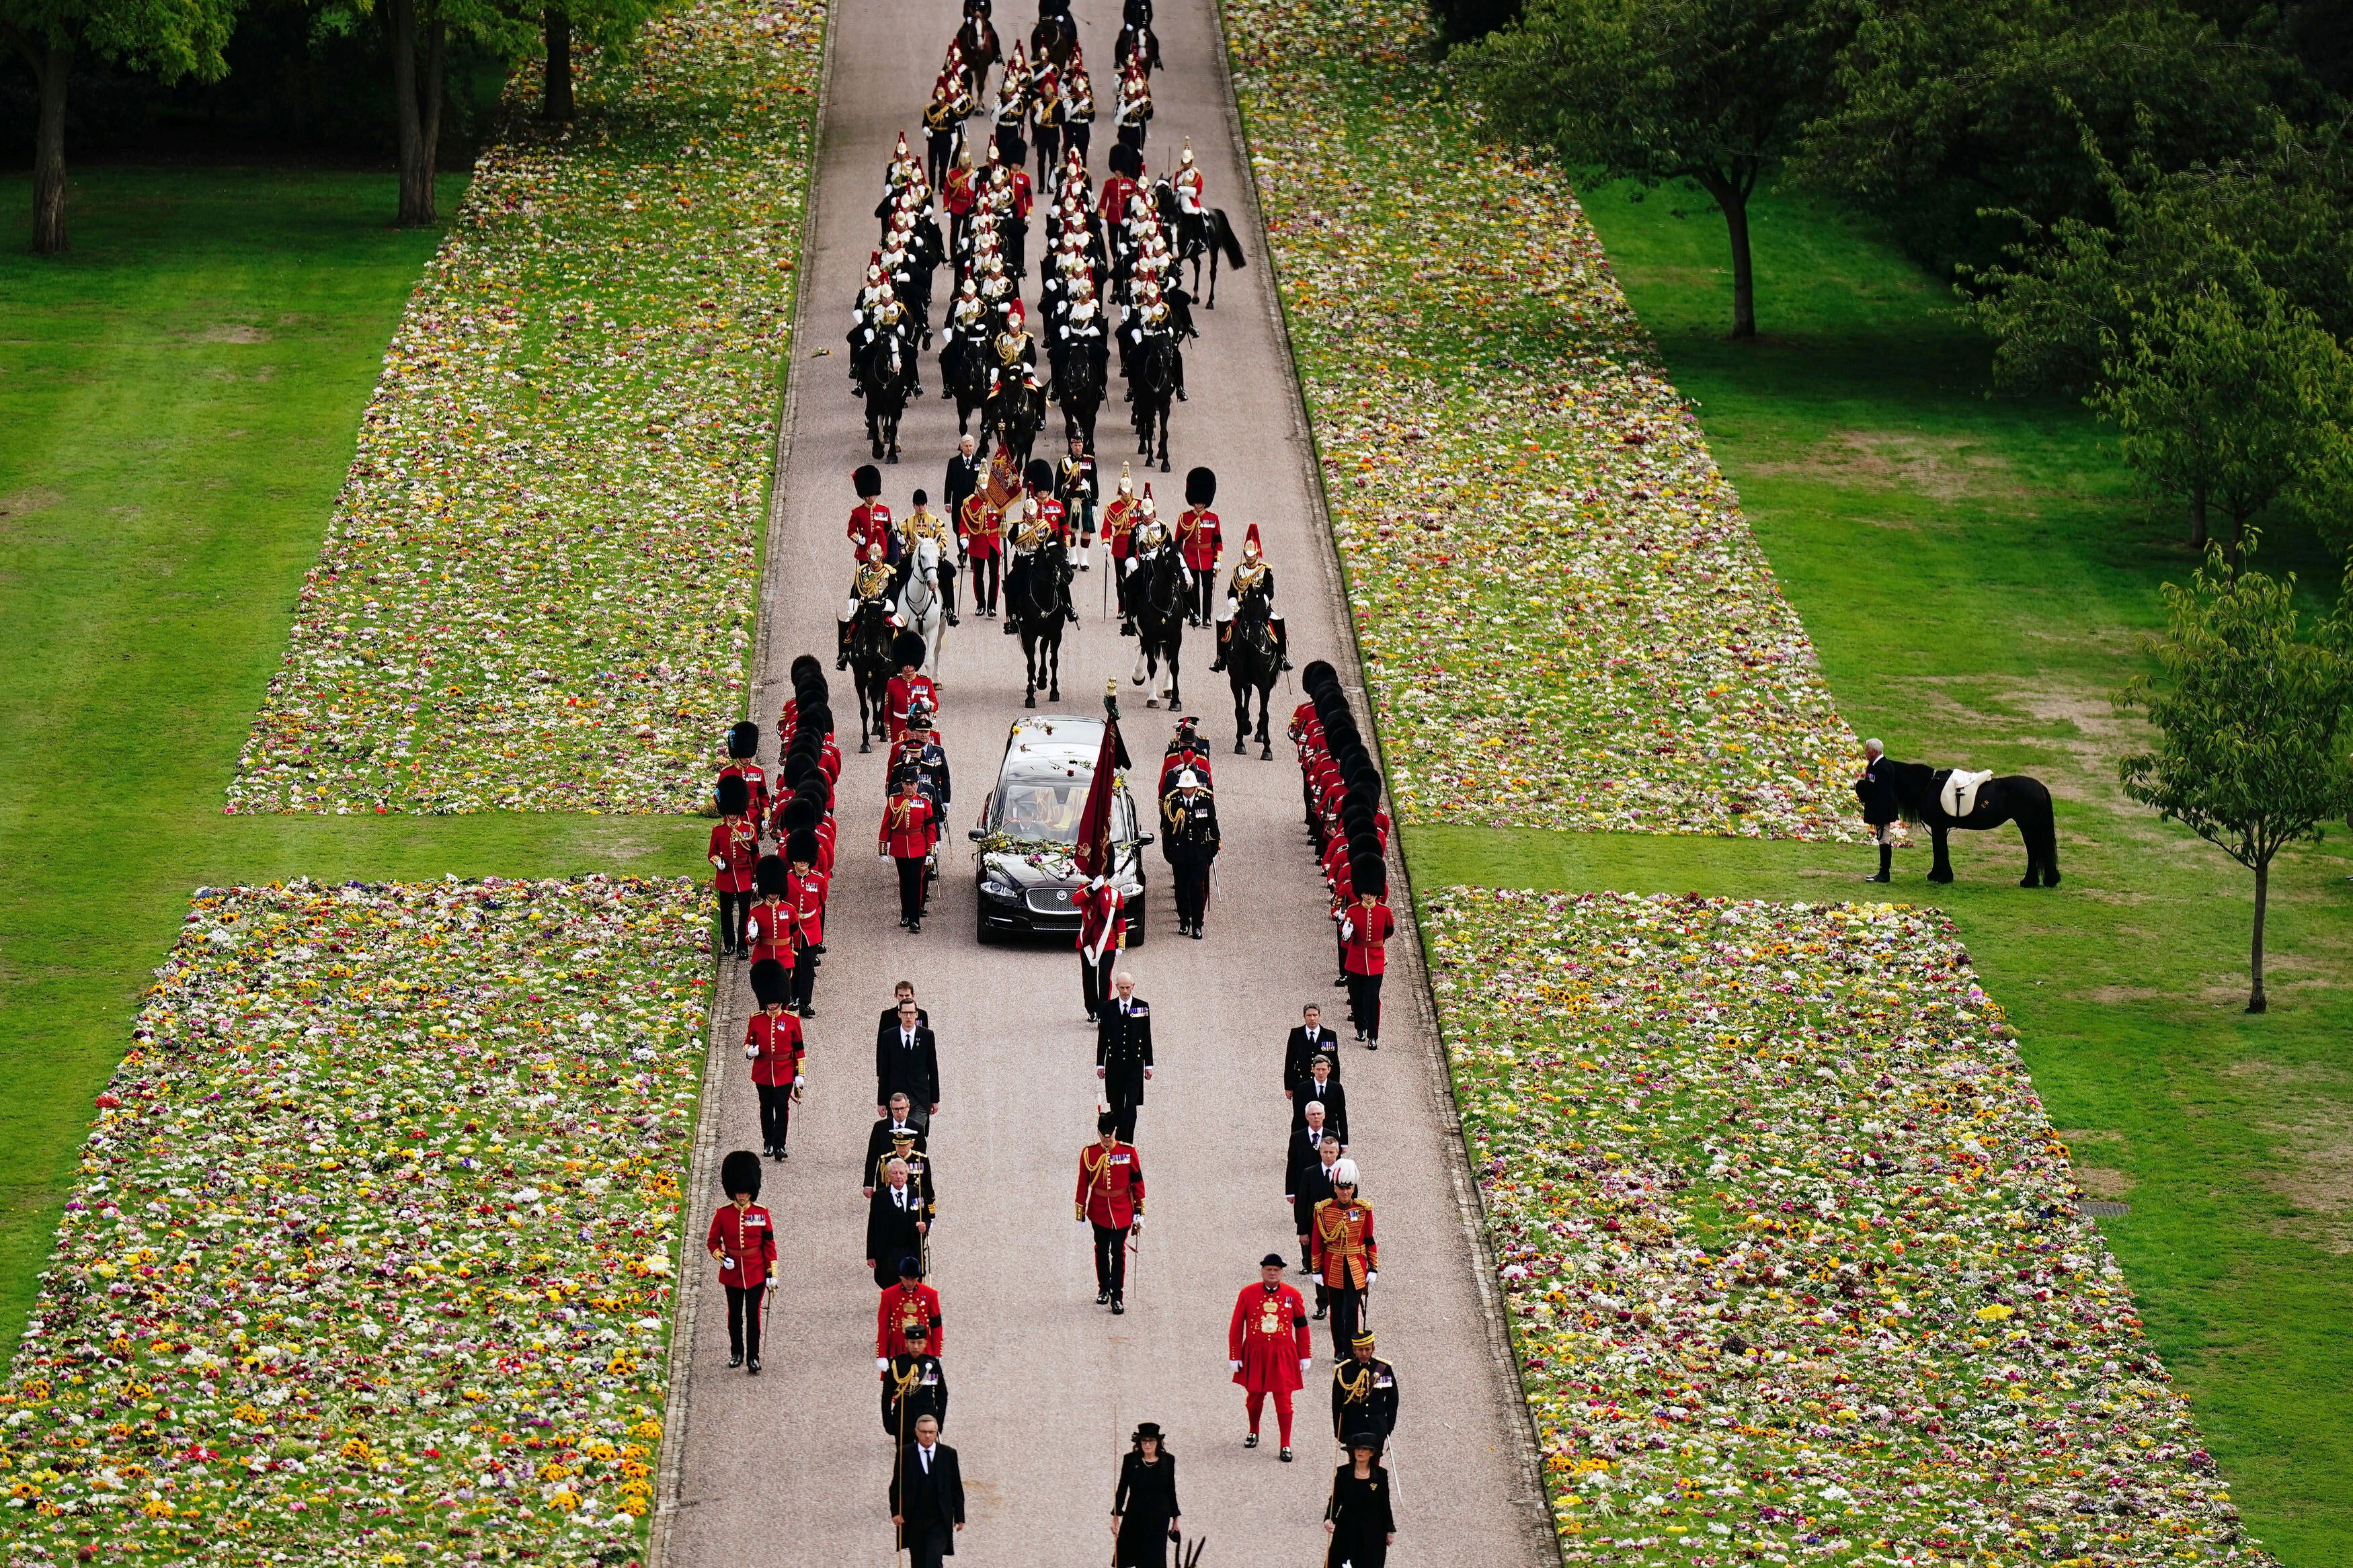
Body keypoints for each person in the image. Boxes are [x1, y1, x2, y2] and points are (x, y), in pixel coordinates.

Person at [1228, 1252, 1312, 1460]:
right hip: (1256, 1353)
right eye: (1269, 1270)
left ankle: (1285, 1444)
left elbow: (1301, 1326)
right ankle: (1253, 1431)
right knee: (1254, 1397)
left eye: (1276, 1270)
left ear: (1282, 1272)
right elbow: (1237, 1325)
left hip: (1282, 1355)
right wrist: (1235, 1354)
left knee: (1284, 1400)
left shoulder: (1293, 1295)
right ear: (1262, 1271)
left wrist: (1305, 1354)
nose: (1273, 1273)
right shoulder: (1248, 1293)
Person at [705, 1149, 776, 1372]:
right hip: (732, 1273)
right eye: (739, 1193)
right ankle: (737, 1352)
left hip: (755, 1271)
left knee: (753, 1316)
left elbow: (769, 1246)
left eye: (746, 1193)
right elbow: (713, 1242)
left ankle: (753, 1357)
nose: (742, 1196)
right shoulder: (723, 1214)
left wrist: (771, 1274)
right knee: (734, 1316)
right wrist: (722, 1258)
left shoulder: (761, 1213)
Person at [1076, 1110, 1145, 1312]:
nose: (1107, 1140)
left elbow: (1137, 1182)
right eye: (1104, 1136)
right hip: (1098, 1210)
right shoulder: (1089, 1154)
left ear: (1115, 1132)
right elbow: (1083, 1183)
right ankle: (1104, 1288)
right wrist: (1080, 1209)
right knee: (1101, 1250)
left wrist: (1139, 1211)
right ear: (1099, 1133)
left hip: (1122, 1210)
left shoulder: (1128, 1152)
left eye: (1110, 1136)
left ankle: (1117, 1295)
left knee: (1118, 1251)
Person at [1310, 1159, 1378, 1361]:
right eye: (1341, 1188)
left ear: (1354, 1188)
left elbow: (1369, 1239)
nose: (1345, 1192)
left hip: (1356, 1266)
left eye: (1348, 1188)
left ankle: (1351, 1349)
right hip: (1333, 1266)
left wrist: (1373, 1267)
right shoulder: (1324, 1210)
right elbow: (1317, 1242)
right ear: (1335, 1188)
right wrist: (1316, 1269)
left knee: (1351, 1310)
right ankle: (1339, 1349)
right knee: (1337, 1311)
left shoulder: (1364, 1209)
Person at [745, 958, 805, 1159]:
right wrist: (749, 1052)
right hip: (763, 1071)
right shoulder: (756, 1019)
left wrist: (800, 1074)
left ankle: (780, 1145)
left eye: (775, 1000)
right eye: (769, 1000)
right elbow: (748, 1042)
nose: (772, 1003)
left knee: (781, 1107)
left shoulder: (791, 1020)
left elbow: (799, 1048)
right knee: (766, 1108)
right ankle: (768, 1143)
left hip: (785, 1071)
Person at [889, 1413, 965, 1568]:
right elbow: (896, 1485)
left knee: (933, 1559)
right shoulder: (905, 1453)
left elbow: (956, 1487)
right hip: (914, 1519)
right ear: (916, 1432)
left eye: (931, 1432)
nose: (928, 1436)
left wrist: (960, 1516)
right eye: (924, 1432)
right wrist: (896, 1511)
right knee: (918, 1562)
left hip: (939, 1519)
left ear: (937, 1432)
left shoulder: (948, 1454)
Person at [1339, 862, 1396, 1048]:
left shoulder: (1385, 912)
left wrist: (1377, 946)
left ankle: (1373, 1035)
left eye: (1372, 891)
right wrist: (1347, 933)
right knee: (1356, 997)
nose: (1369, 894)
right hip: (1355, 960)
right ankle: (1360, 1028)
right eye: (1366, 891)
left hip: (1376, 960)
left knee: (1372, 998)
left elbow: (1388, 932)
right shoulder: (1353, 911)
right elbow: (1346, 940)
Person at [1110, 1423, 1183, 1567]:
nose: (1148, 1444)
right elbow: (1122, 1487)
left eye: (1151, 1441)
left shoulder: (1168, 1461)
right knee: (1130, 1551)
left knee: (1154, 1557)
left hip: (1159, 1516)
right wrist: (1116, 1516)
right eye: (1144, 1441)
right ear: (1139, 1442)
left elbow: (1171, 1490)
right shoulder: (1131, 1460)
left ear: (1158, 1442)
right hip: (1135, 1513)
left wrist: (1175, 1519)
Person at [1288, 1130, 1343, 1317]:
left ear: (1338, 1153)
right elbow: (1303, 1204)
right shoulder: (1309, 1174)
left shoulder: (1345, 1174)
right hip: (1317, 1230)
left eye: (1332, 1152)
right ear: (1320, 1152)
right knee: (1319, 1268)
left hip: (1339, 1231)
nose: (1328, 1156)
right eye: (1325, 1152)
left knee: (1338, 1268)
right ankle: (1322, 1304)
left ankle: (1339, 1305)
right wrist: (1303, 1231)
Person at [1160, 768, 1219, 939]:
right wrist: (1168, 851)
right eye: (1184, 788)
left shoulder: (1205, 801)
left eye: (1189, 788)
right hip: (1179, 852)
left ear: (1195, 787)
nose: (1187, 791)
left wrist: (1213, 848)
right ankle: (1184, 920)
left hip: (1199, 852)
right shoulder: (1172, 801)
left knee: (1196, 888)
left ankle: (1197, 924)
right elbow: (1167, 828)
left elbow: (1212, 825)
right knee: (1181, 888)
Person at [1095, 969, 1153, 1141]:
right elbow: (1103, 1037)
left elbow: (1146, 1036)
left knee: (1131, 1106)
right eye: (1122, 988)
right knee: (1117, 1105)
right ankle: (1117, 1140)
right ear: (1117, 988)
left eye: (1128, 987)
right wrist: (1100, 1064)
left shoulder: (1142, 1007)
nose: (1126, 991)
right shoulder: (1108, 1008)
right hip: (1114, 1066)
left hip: (1135, 1065)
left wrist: (1149, 1065)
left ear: (1133, 986)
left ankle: (1128, 1142)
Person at [1323, 1434, 1396, 1568]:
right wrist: (1329, 1517)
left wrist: (1390, 1530)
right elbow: (1335, 1498)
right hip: (1347, 1529)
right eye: (1357, 1449)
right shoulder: (1343, 1472)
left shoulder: (1380, 1475)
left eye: (1364, 1449)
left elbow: (1385, 1504)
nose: (1360, 1452)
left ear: (1372, 1453)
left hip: (1373, 1531)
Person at [881, 766, 939, 932]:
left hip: (918, 846)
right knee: (904, 881)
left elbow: (930, 829)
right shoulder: (894, 800)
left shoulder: (924, 802)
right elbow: (886, 824)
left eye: (912, 784)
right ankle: (905, 914)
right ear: (902, 784)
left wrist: (931, 852)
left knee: (916, 882)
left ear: (917, 784)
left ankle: (915, 919)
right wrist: (883, 848)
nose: (909, 787)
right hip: (900, 845)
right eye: (907, 784)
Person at [707, 774, 759, 958]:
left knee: (745, 912)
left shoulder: (748, 829)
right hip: (726, 876)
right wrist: (717, 862)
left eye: (735, 813)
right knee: (726, 914)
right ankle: (729, 944)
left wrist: (756, 879)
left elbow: (755, 854)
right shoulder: (719, 831)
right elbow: (711, 853)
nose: (733, 816)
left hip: (745, 875)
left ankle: (743, 946)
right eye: (730, 813)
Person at [1330, 1331, 1399, 1458]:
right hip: (1354, 1427)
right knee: (1356, 1466)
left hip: (1376, 1427)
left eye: (1367, 1349)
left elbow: (1392, 1401)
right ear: (1354, 1350)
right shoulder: (1344, 1371)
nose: (1364, 1353)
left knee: (1374, 1468)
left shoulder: (1383, 1369)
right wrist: (1339, 1432)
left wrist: (1388, 1427)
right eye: (1360, 1350)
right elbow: (1337, 1404)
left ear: (1373, 1348)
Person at [876, 997, 942, 1121]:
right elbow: (884, 1070)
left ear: (917, 1014)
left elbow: (933, 1069)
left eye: (911, 1013)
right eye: (905, 1013)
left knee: (917, 1135)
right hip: (896, 1098)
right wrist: (881, 1102)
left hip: (920, 1097)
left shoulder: (927, 1036)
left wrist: (935, 1099)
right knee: (898, 1136)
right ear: (899, 1014)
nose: (908, 1016)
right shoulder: (889, 1036)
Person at [882, 1320, 949, 1438]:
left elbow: (942, 1394)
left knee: (927, 1456)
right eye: (912, 1342)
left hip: (927, 1420)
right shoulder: (896, 1364)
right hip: (904, 1419)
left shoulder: (932, 1364)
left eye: (920, 1342)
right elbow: (887, 1396)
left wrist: (939, 1421)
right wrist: (889, 1422)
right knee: (904, 1456)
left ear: (925, 1343)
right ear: (906, 1343)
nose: (916, 1347)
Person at [868, 1165, 931, 1288]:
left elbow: (927, 1218)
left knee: (912, 1283)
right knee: (889, 1283)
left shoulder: (918, 1193)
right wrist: (871, 1254)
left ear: (907, 1176)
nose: (898, 1176)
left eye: (902, 1173)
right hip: (888, 1251)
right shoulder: (879, 1197)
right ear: (889, 1176)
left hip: (911, 1248)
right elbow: (872, 1226)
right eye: (895, 1173)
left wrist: (925, 1226)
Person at [1175, 466, 1222, 628]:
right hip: (1191, 557)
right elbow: (1178, 542)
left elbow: (1218, 541)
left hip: (1207, 558)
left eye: (1201, 502)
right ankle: (1195, 614)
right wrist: (1180, 558)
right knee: (1192, 587)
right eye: (1197, 501)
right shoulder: (1185, 518)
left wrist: (1218, 560)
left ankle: (1207, 617)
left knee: (1208, 587)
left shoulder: (1213, 518)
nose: (1199, 504)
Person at [1077, 872, 1127, 1022]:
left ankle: (1103, 1011)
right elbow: (1076, 900)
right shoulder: (1085, 888)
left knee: (1105, 976)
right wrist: (1092, 888)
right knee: (1088, 977)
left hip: (1108, 941)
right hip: (1088, 941)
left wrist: (1121, 943)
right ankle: (1092, 1010)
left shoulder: (1115, 893)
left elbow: (1120, 919)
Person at [877, 1256, 944, 1360]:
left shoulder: (930, 1295)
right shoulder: (888, 1295)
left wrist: (937, 1352)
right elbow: (883, 1328)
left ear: (918, 1278)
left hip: (923, 1348)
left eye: (913, 1279)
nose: (910, 1283)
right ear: (900, 1277)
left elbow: (936, 1326)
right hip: (897, 1349)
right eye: (906, 1279)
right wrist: (882, 1355)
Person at [1855, 737, 1900, 883]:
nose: (1865, 752)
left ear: (1874, 751)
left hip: (1883, 811)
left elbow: (1880, 792)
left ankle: (1884, 873)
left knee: (1884, 839)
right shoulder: (1876, 765)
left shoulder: (1883, 768)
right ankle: (1883, 872)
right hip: (1879, 809)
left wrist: (1863, 788)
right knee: (1882, 839)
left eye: (1867, 750)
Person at [865, 1092, 926, 1194]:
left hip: (909, 1180)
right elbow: (872, 1156)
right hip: (885, 1181)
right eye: (896, 1109)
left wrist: (924, 1186)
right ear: (891, 1109)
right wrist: (868, 1184)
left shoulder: (917, 1128)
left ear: (908, 1107)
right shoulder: (880, 1127)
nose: (900, 1112)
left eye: (903, 1108)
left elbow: (921, 1157)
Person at [885, 632, 939, 745]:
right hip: (899, 731)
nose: (908, 668)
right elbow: (888, 711)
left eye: (911, 664)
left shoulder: (926, 681)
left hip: (920, 729)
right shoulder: (892, 683)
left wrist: (929, 706)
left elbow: (935, 704)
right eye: (905, 665)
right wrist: (889, 735)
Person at [1284, 1003, 1342, 1099]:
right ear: (1304, 1016)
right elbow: (1290, 1061)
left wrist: (1335, 1087)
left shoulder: (1329, 1036)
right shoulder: (1296, 1034)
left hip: (1323, 1084)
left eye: (1315, 1015)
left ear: (1319, 1016)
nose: (1312, 1019)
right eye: (1309, 1015)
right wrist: (1288, 1087)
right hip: (1301, 1084)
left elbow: (1334, 1063)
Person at [1291, 1055, 1349, 1144]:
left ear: (1329, 1070)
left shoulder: (1336, 1088)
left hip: (1330, 1137)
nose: (1321, 1073)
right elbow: (1298, 1116)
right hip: (1308, 1136)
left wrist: (1344, 1142)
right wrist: (1295, 1140)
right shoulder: (1302, 1089)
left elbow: (1342, 1116)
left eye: (1324, 1069)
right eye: (1318, 1069)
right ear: (1313, 1069)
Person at [848, 462, 895, 563]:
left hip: (881, 552)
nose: (870, 497)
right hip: (864, 552)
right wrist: (858, 539)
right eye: (867, 495)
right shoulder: (857, 512)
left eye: (872, 494)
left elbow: (888, 531)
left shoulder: (884, 510)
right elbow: (851, 532)